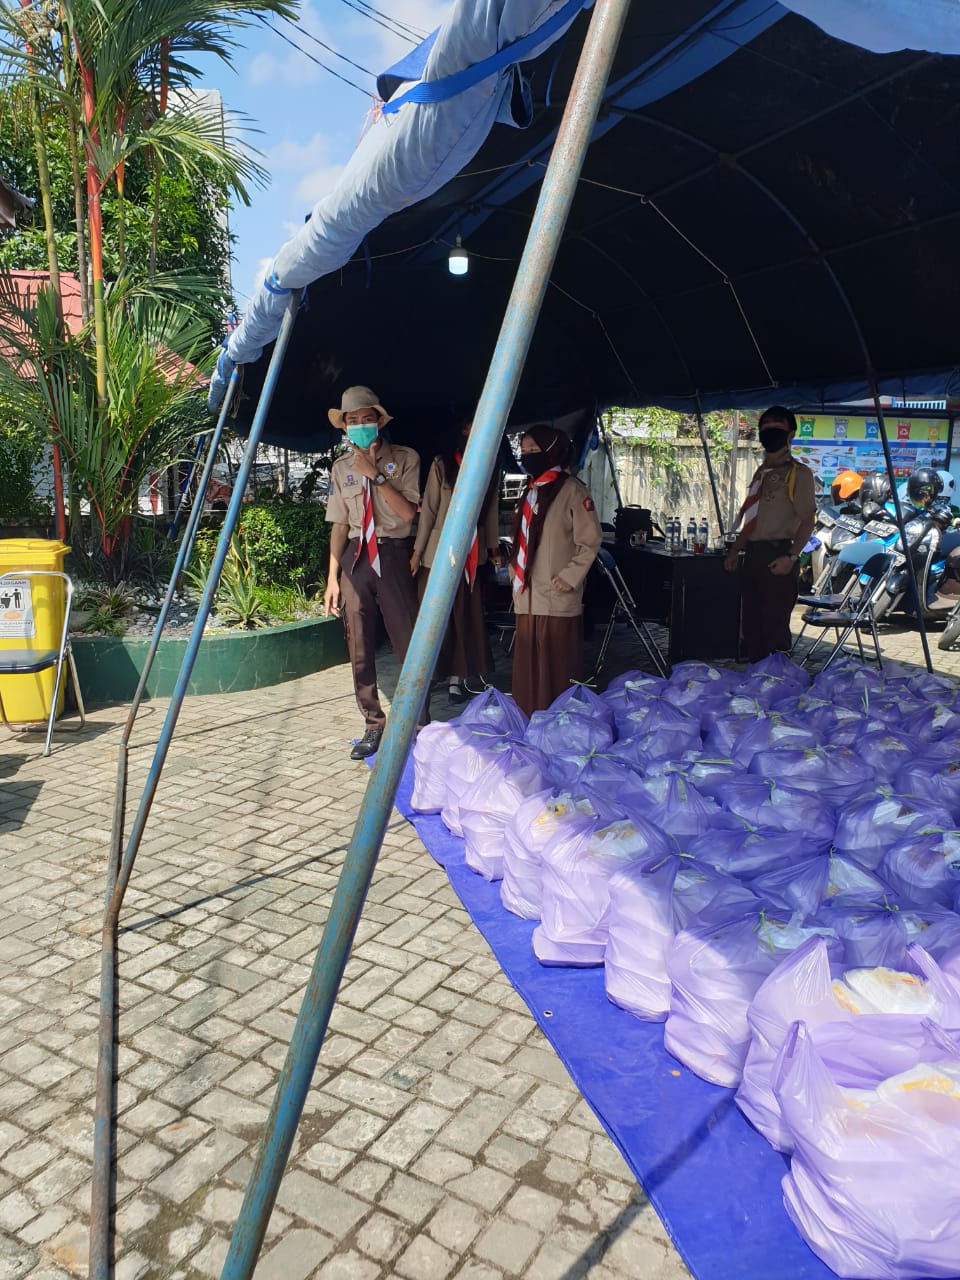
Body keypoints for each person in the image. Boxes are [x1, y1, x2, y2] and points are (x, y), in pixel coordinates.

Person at [323, 386, 422, 759]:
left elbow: (408, 514)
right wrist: (332, 578)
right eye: (353, 421)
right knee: (359, 644)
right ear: (345, 427)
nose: (361, 425)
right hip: (356, 558)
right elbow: (339, 524)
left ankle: (418, 723)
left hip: (392, 554)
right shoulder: (340, 468)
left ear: (379, 422)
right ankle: (372, 723)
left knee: (407, 639)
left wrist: (376, 476)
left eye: (367, 419)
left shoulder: (405, 458)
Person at [509, 425, 602, 716]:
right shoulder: (530, 491)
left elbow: (590, 541)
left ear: (552, 451)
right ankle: (528, 719)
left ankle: (560, 723)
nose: (528, 456)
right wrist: (513, 570)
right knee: (528, 668)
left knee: (558, 667)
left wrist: (571, 576)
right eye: (524, 450)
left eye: (534, 450)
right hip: (528, 595)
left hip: (556, 592)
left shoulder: (572, 490)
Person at [410, 419, 499, 702]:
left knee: (463, 618)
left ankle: (456, 679)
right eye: (465, 429)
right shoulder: (442, 464)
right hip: (437, 554)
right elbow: (429, 512)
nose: (471, 434)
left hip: (471, 554)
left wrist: (494, 548)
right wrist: (417, 552)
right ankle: (429, 673)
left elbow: (492, 511)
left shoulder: (489, 466)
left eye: (476, 428)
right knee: (434, 617)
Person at [724, 406, 817, 662]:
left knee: (774, 628)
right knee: (751, 628)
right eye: (765, 425)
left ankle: (778, 678)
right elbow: (752, 519)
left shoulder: (798, 474)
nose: (770, 429)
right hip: (753, 556)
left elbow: (807, 521)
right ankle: (756, 678)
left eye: (778, 425)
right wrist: (735, 550)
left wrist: (791, 557)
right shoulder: (761, 472)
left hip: (778, 555)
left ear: (791, 434)